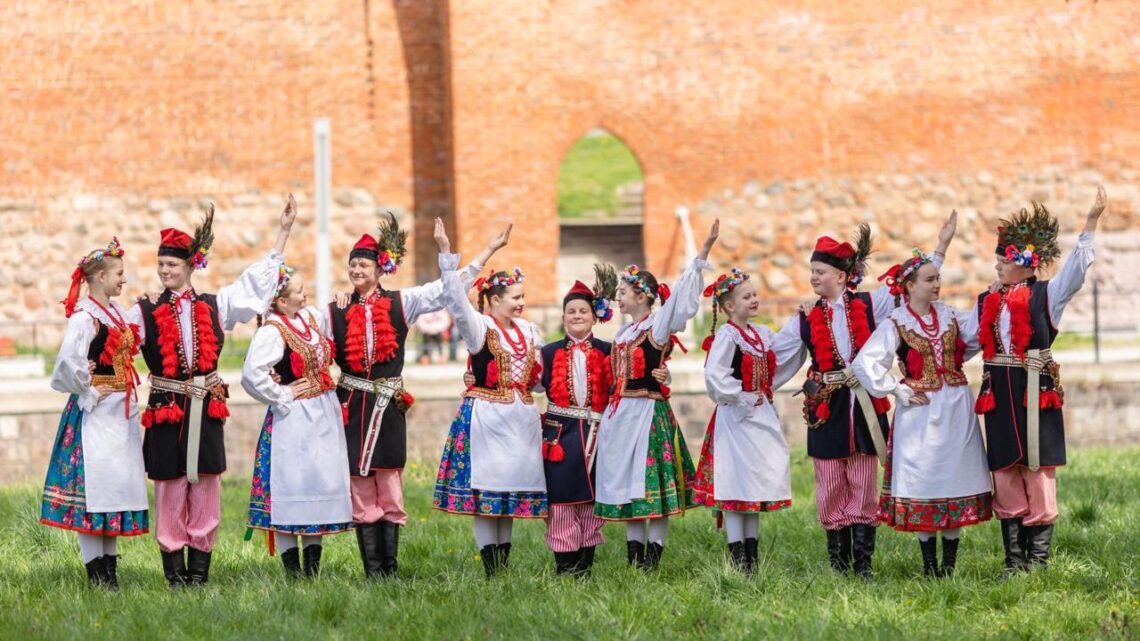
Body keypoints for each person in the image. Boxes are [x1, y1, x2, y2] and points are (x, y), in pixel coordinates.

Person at [127, 196, 297, 587]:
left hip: (206, 408)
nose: (164, 271)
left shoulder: (215, 305)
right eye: (161, 264)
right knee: (169, 487)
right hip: (167, 407)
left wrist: (283, 232)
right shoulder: (145, 310)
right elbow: (115, 340)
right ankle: (175, 576)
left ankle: (199, 575)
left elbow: (254, 284)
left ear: (191, 265)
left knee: (206, 485)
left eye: (172, 265)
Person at [326, 214, 507, 578]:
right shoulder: (335, 309)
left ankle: (390, 571)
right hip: (352, 406)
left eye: (364, 264)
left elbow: (448, 289)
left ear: (380, 268)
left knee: (389, 481)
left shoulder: (402, 302)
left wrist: (476, 251)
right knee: (360, 483)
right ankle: (373, 573)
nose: (357, 270)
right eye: (352, 264)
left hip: (388, 405)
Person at [784, 215, 955, 579]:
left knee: (863, 484)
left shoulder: (870, 304)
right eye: (812, 271)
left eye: (819, 272)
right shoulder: (804, 317)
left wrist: (940, 248)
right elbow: (775, 352)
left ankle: (863, 565)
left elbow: (913, 282)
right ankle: (839, 563)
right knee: (830, 483)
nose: (813, 277)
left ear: (841, 276)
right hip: (827, 406)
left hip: (863, 405)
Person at [971, 186, 1105, 574]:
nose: (997, 266)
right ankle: (1014, 561)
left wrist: (1091, 223)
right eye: (997, 259)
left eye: (1003, 260)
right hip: (999, 395)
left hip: (1033, 393)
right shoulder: (986, 300)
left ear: (1026, 264)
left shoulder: (1047, 295)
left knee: (1038, 469)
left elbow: (1076, 273)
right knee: (1004, 470)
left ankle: (1038, 561)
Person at [853, 246, 992, 578]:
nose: (937, 284)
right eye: (929, 280)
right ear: (910, 286)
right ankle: (930, 567)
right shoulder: (896, 323)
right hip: (920, 412)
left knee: (954, 474)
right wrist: (898, 389)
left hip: (956, 408)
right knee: (924, 478)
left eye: (937, 278)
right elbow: (865, 363)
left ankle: (949, 567)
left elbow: (973, 338)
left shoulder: (950, 315)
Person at [593, 220, 720, 572]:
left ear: (642, 296)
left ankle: (653, 559)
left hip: (648, 413)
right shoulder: (622, 334)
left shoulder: (657, 325)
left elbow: (679, 300)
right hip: (621, 416)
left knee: (654, 486)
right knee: (630, 487)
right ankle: (635, 560)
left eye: (623, 292)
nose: (618, 297)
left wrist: (702, 252)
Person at [431, 219, 547, 577]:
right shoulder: (479, 327)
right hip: (487, 418)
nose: (522, 303)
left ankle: (503, 567)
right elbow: (454, 296)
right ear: (494, 300)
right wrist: (470, 251)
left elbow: (538, 381)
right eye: (516, 298)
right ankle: (490, 570)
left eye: (523, 297)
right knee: (486, 493)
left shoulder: (529, 330)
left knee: (507, 493)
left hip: (521, 418)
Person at [41, 238, 148, 588]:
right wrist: (87, 388)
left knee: (113, 490)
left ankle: (110, 575)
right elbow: (66, 363)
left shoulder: (115, 312)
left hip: (119, 413)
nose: (123, 279)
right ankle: (97, 577)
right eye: (119, 274)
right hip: (95, 414)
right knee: (94, 492)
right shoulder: (85, 317)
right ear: (101, 276)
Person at [243, 266, 353, 578]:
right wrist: (283, 394)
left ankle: (312, 571)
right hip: (293, 420)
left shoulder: (308, 318)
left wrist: (342, 297)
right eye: (299, 291)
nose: (305, 295)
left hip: (323, 415)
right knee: (291, 486)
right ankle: (293, 573)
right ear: (281, 301)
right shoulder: (272, 331)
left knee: (316, 483)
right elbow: (251, 375)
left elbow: (334, 317)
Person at [692, 268, 804, 573]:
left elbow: (784, 350)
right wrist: (739, 395)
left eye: (754, 294)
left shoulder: (760, 334)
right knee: (734, 483)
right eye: (746, 297)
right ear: (729, 306)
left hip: (759, 416)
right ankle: (737, 556)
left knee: (753, 484)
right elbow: (715, 373)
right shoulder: (728, 336)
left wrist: (800, 321)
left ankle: (752, 556)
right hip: (735, 418)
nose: (754, 299)